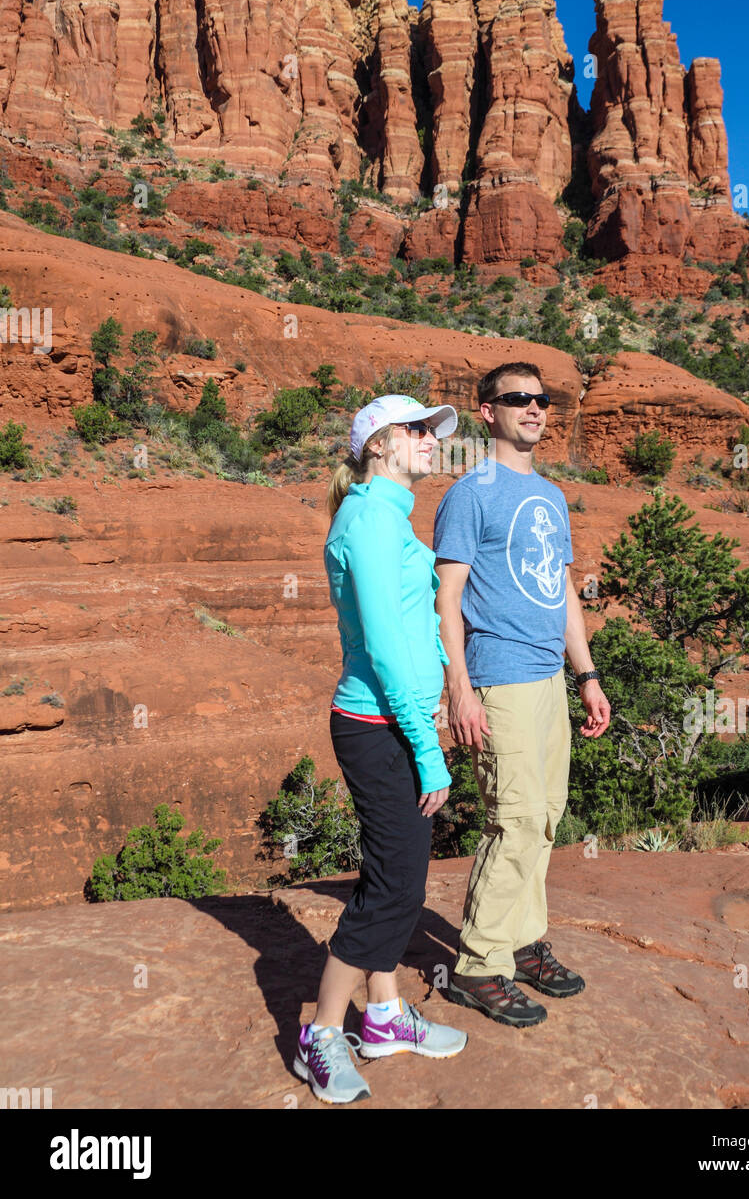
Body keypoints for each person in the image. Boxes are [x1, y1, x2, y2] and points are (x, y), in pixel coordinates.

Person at [294, 393, 469, 1104]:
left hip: (395, 719)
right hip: (377, 727)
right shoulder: (368, 520)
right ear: (377, 444)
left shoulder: (387, 516)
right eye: (416, 429)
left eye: (433, 430)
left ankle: (386, 1016)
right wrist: (426, 747)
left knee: (391, 875)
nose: (431, 439)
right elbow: (388, 648)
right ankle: (320, 1034)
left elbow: (416, 628)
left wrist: (435, 697)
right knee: (397, 886)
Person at [433, 362, 612, 1027]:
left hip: (546, 677)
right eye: (517, 399)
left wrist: (586, 675)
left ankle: (522, 939)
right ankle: (478, 965)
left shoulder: (550, 495)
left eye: (542, 399)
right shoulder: (469, 493)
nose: (534, 409)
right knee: (513, 818)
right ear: (487, 411)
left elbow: (561, 590)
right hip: (498, 675)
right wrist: (459, 689)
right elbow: (446, 596)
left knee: (545, 815)